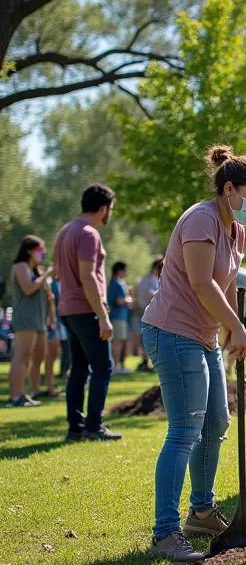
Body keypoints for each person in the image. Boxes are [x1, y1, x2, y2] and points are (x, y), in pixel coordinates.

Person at [141, 146, 246, 564]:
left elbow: (222, 285)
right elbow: (200, 283)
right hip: (172, 331)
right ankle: (165, 533)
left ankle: (200, 512)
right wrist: (236, 325)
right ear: (228, 188)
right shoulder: (201, 219)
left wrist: (228, 333)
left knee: (216, 423)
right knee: (184, 432)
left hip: (203, 337)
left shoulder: (237, 229)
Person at [53, 184, 120, 441]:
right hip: (86, 309)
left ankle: (75, 428)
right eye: (110, 209)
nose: (109, 214)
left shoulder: (65, 232)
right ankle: (94, 426)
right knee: (103, 368)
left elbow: (60, 273)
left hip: (68, 310)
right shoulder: (89, 233)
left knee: (79, 369)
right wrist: (102, 315)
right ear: (103, 208)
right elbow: (88, 276)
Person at [6, 235, 53, 407]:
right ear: (29, 251)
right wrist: (47, 274)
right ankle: (15, 396)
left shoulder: (36, 270)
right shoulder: (20, 266)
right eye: (39, 250)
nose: (43, 253)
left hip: (38, 319)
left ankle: (24, 393)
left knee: (36, 357)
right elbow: (28, 289)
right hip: (25, 319)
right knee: (22, 356)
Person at [135, 258, 163, 371]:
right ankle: (150, 362)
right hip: (152, 311)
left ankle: (145, 361)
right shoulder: (153, 279)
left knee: (144, 337)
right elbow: (151, 293)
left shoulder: (143, 279)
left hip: (143, 311)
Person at [106, 261, 134, 375]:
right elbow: (117, 300)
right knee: (116, 342)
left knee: (121, 341)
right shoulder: (115, 283)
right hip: (117, 317)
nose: (126, 273)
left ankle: (119, 365)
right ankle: (115, 366)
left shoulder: (120, 283)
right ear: (119, 271)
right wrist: (128, 300)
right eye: (125, 270)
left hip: (122, 317)